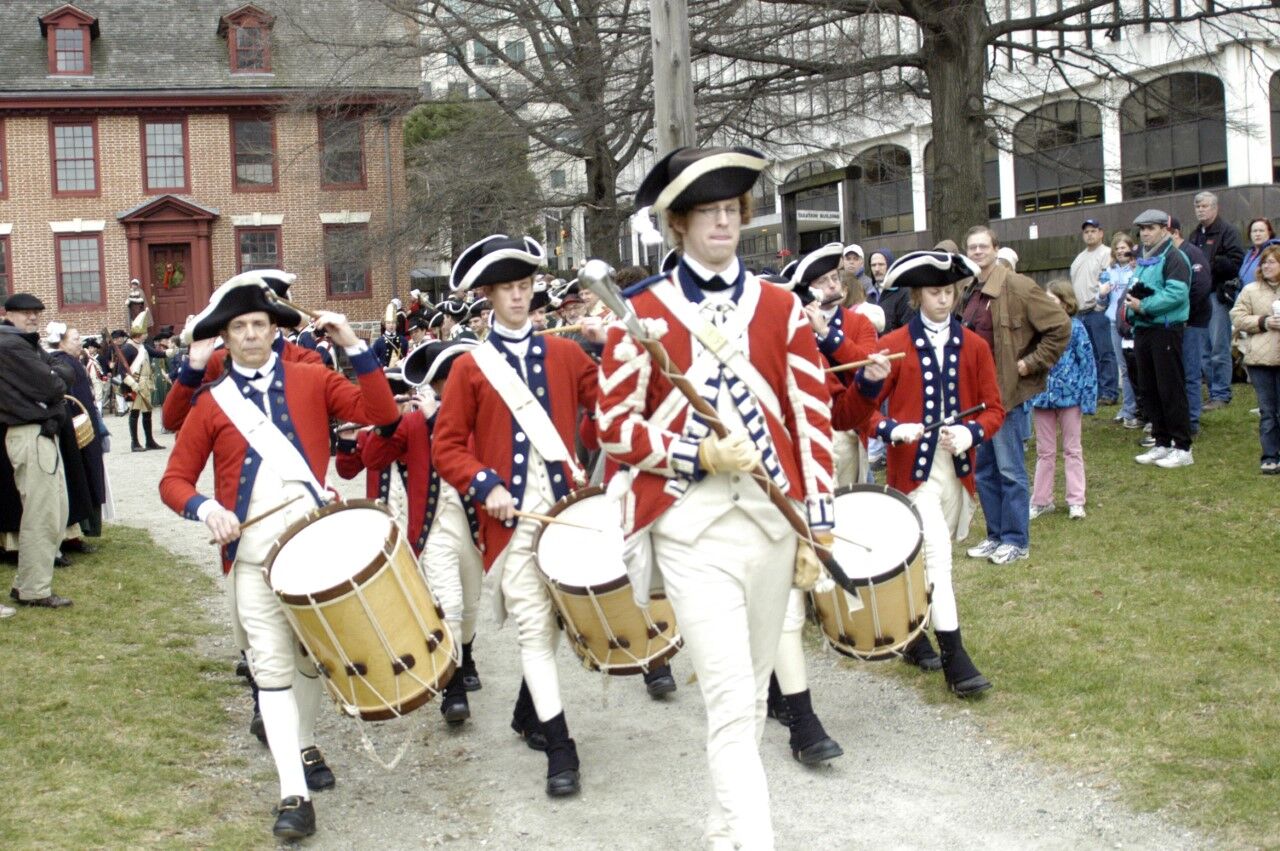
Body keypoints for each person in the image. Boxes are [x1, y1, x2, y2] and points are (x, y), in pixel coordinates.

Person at [598, 145, 836, 848]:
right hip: (691, 528)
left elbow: (810, 415)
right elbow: (611, 426)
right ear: (679, 223)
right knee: (733, 701)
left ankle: (723, 830)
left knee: (753, 691)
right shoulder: (639, 311)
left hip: (771, 523)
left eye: (732, 210)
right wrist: (693, 451)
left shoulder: (781, 305)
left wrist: (818, 526)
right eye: (708, 212)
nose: (724, 223)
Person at [159, 276, 399, 839]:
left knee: (309, 661)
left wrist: (354, 347)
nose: (249, 335)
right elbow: (173, 479)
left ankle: (307, 741)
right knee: (269, 667)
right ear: (226, 337)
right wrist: (203, 509)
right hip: (251, 557)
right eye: (238, 328)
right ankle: (292, 792)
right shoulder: (211, 402)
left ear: (274, 330)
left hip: (312, 547)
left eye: (258, 325)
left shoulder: (313, 377)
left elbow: (379, 411)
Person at [432, 234, 601, 798]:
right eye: (508, 289)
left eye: (526, 287)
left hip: (566, 509)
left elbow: (608, 411)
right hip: (513, 523)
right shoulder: (469, 369)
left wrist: (615, 348)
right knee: (534, 622)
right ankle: (560, 747)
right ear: (489, 296)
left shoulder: (567, 353)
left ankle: (529, 711)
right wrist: (486, 485)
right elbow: (448, 447)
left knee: (561, 619)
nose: (519, 298)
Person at [833, 250, 1004, 697]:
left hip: (957, 471)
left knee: (930, 557)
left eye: (949, 291)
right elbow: (861, 410)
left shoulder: (976, 346)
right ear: (916, 296)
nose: (944, 300)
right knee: (937, 559)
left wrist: (972, 433)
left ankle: (912, 633)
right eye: (934, 292)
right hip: (914, 473)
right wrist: (892, 428)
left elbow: (995, 409)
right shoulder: (893, 345)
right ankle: (957, 661)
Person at [960, 225, 1070, 564]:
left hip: (1005, 394)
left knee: (1009, 470)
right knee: (985, 472)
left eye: (983, 246)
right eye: (972, 247)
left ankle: (1016, 541)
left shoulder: (1017, 285)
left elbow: (1059, 326)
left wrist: (1031, 364)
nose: (978, 252)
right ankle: (995, 536)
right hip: (976, 398)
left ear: (996, 248)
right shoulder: (970, 288)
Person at [398, 339, 487, 721]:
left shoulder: (480, 417)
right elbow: (368, 459)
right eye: (446, 380)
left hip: (472, 527)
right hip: (434, 530)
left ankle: (465, 657)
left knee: (469, 605)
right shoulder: (413, 421)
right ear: (433, 386)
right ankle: (451, 688)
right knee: (447, 603)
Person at [163, 271, 325, 433]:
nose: (250, 333)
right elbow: (174, 421)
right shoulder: (218, 362)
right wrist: (193, 369)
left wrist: (350, 344)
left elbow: (337, 408)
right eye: (239, 324)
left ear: (276, 323)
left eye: (258, 323)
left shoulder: (304, 359)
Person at [0, 293, 75, 611]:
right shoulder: (12, 344)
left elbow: (61, 374)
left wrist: (56, 373)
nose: (32, 318)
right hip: (30, 432)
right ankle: (33, 588)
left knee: (55, 511)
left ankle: (29, 584)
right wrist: (56, 374)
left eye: (36, 313)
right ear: (8, 314)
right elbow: (53, 386)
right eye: (25, 313)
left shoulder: (21, 342)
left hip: (38, 432)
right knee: (43, 513)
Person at [1127, 209, 1194, 469]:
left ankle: (1183, 446)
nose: (1145, 233)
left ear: (1165, 230)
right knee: (1150, 389)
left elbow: (1177, 295)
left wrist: (1143, 305)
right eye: (1142, 228)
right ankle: (1162, 442)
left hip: (1165, 329)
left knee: (1170, 388)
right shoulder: (1145, 259)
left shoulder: (1174, 257)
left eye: (1151, 228)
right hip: (1143, 330)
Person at [1029, 280, 1096, 520]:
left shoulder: (1076, 328)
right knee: (1044, 451)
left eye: (1053, 300)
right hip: (1042, 398)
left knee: (1072, 449)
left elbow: (1087, 363)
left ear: (1066, 303)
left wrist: (1088, 397)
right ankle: (1041, 500)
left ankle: (1076, 501)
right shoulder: (1035, 329)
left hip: (1071, 397)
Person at [1189, 191, 1245, 410]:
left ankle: (1221, 392)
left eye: (1205, 206)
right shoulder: (1195, 235)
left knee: (1218, 346)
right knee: (1202, 348)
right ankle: (1212, 392)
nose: (1201, 210)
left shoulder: (1228, 232)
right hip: (1198, 298)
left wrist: (1210, 264)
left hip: (1217, 295)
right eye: (1198, 206)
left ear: (1215, 207)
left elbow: (1236, 261)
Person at [1229, 243, 1280, 474]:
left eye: (1272, 262)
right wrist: (1262, 322)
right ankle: (1269, 455)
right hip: (1260, 359)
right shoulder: (1250, 290)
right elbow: (1237, 317)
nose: (1267, 266)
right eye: (1264, 262)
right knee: (1267, 411)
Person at [1169, 218, 1214, 437]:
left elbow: (1201, 286)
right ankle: (1179, 418)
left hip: (1193, 322)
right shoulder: (1166, 256)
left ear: (1175, 232)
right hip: (1174, 323)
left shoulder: (1192, 253)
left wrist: (1187, 315)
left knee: (1190, 372)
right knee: (1177, 372)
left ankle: (1192, 420)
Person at [1070, 218, 1117, 406]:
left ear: (1101, 233)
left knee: (1105, 352)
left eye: (1093, 231)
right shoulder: (1079, 258)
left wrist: (1101, 304)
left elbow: (1108, 281)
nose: (1089, 234)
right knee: (1089, 354)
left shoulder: (1106, 254)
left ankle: (1110, 391)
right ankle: (1095, 390)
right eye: (1086, 232)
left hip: (1098, 309)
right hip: (1081, 312)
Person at [1103, 232, 1140, 428]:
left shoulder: (1137, 269)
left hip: (1131, 323)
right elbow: (1101, 301)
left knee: (1134, 366)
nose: (1120, 251)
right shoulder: (1109, 271)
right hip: (1113, 322)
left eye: (1124, 248)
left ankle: (1135, 408)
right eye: (1117, 248)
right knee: (1123, 368)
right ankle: (1127, 408)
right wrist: (1101, 294)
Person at [120, 311, 164, 452]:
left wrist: (168, 353)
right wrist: (132, 384)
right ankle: (135, 443)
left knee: (147, 413)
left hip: (145, 383)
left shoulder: (143, 347)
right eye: (144, 332)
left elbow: (156, 353)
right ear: (139, 334)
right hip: (133, 384)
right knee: (134, 413)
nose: (146, 334)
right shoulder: (127, 348)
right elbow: (122, 370)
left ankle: (149, 441)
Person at [865, 248, 912, 333]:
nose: (877, 269)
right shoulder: (868, 295)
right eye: (873, 265)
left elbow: (908, 329)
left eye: (881, 264)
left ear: (890, 265)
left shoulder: (904, 293)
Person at [1238, 218, 1280, 285]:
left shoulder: (1275, 252)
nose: (1257, 234)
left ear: (1269, 233)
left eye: (1261, 231)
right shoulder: (1249, 254)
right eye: (1254, 231)